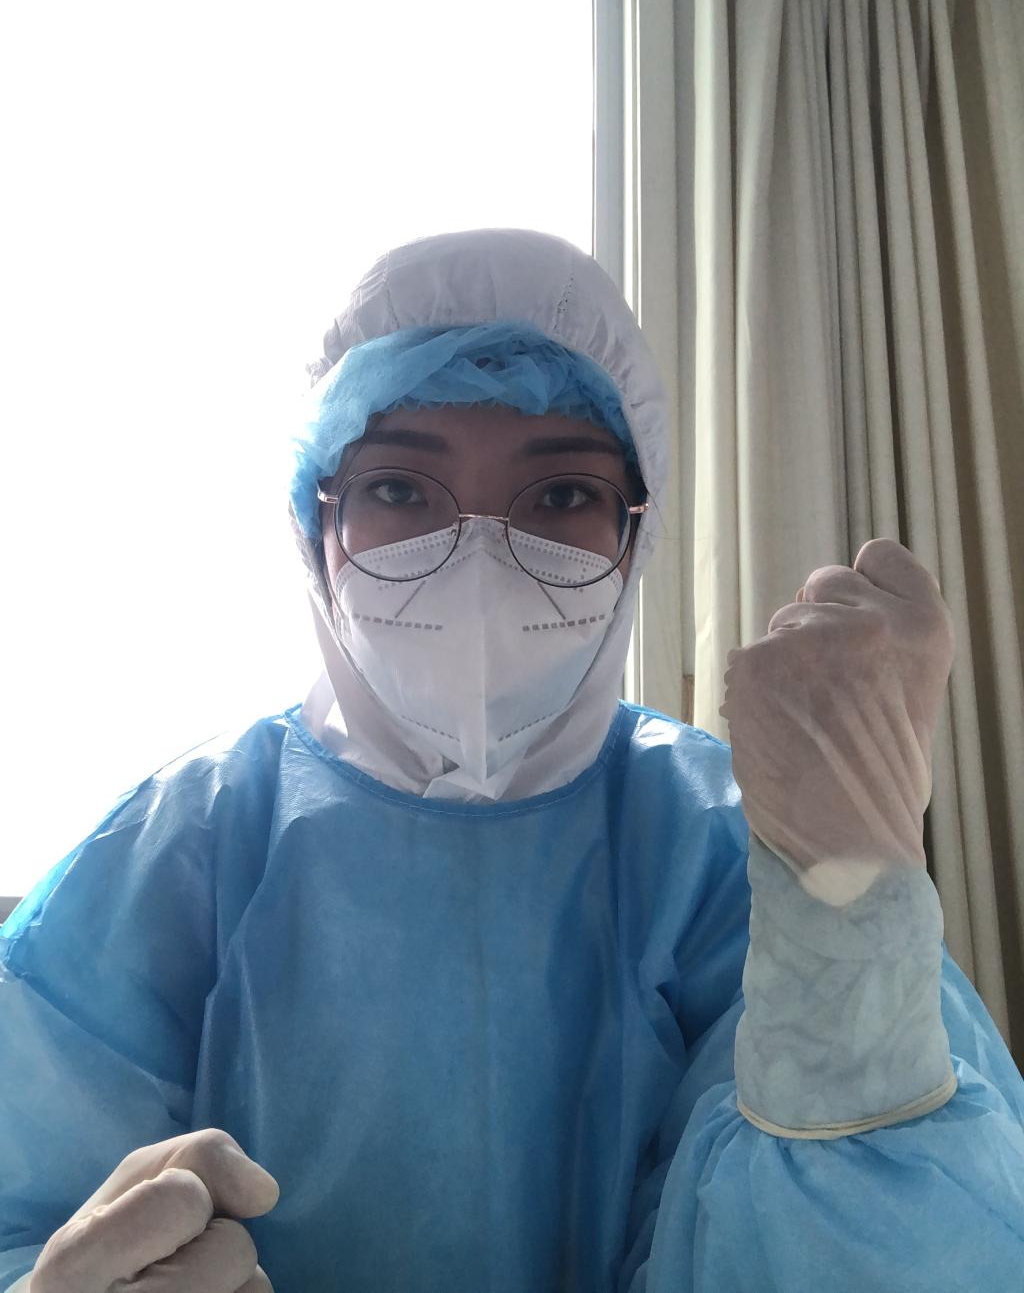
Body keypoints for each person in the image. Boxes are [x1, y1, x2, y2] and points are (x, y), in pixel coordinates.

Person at [1, 228, 1022, 1292]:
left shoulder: (735, 842)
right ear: (317, 529)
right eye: (400, 491)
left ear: (634, 536)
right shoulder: (181, 845)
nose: (478, 560)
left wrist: (850, 907)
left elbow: (908, 1250)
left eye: (560, 497)